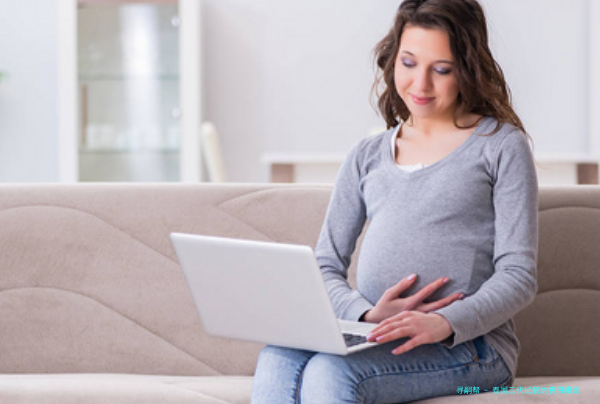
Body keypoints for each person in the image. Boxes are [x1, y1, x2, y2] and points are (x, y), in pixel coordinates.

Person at [251, 0, 538, 402]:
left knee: (331, 372)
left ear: (468, 69)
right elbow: (325, 265)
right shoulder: (366, 155)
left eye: (441, 69)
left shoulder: (501, 146)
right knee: (278, 355)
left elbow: (519, 276)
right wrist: (365, 314)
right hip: (377, 335)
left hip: (473, 351)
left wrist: (443, 322)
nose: (420, 84)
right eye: (409, 63)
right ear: (392, 61)